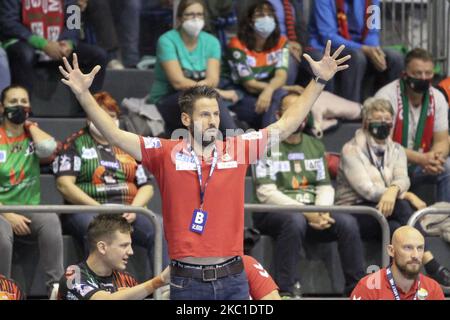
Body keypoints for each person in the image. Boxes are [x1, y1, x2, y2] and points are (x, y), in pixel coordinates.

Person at [58, 38, 350, 299]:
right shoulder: (165, 152)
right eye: (204, 114)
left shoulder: (238, 147)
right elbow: (116, 135)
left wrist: (319, 81)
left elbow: (285, 124)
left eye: (215, 114)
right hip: (187, 282)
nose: (212, 120)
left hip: (234, 278)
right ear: (186, 120)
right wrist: (83, 94)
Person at [253, 94, 365, 297]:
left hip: (312, 212)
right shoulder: (265, 145)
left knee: (347, 222)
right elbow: (266, 193)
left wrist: (320, 211)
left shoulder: (315, 145)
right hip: (272, 212)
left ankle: (356, 289)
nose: (298, 115)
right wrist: (307, 212)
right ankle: (285, 290)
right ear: (279, 115)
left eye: (302, 110)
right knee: (294, 221)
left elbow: (325, 187)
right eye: (291, 110)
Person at [335, 97, 450, 287]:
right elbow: (367, 190)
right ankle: (430, 263)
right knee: (403, 205)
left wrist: (394, 190)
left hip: (386, 210)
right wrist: (401, 194)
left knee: (397, 225)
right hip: (356, 210)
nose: (384, 124)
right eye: (377, 119)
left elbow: (403, 179)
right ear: (366, 122)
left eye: (387, 120)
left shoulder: (397, 149)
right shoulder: (351, 150)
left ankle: (396, 285)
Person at [53, 91, 168, 269]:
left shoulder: (127, 145)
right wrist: (98, 209)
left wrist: (135, 208)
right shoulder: (75, 144)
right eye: (101, 115)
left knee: (159, 225)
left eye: (112, 116)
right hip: (87, 209)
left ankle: (163, 289)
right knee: (97, 230)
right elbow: (64, 185)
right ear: (90, 118)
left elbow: (147, 186)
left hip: (127, 209)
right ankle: (98, 288)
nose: (106, 120)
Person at [0, 85, 63, 297]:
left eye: (24, 102)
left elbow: (48, 149)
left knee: (51, 220)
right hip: (1, 209)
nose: (19, 106)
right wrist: (6, 213)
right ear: (2, 107)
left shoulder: (32, 135)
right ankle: (3, 290)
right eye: (13, 102)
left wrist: (29, 125)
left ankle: (55, 288)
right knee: (2, 232)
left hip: (28, 207)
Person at [148, 0, 238, 135]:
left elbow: (213, 79)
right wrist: (219, 92)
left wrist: (211, 89)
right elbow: (178, 82)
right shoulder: (167, 40)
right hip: (168, 98)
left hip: (200, 95)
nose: (196, 19)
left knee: (207, 100)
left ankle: (232, 145)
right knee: (210, 100)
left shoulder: (211, 42)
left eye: (199, 14)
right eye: (190, 15)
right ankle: (237, 142)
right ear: (179, 19)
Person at [375, 48, 450, 203]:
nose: (423, 78)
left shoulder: (437, 98)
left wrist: (434, 158)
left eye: (428, 73)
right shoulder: (386, 97)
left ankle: (444, 221)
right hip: (388, 166)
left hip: (421, 165)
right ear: (405, 73)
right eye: (417, 73)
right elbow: (383, 145)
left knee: (447, 167)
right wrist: (421, 158)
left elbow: (442, 140)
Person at [0, 0, 107, 93]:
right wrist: (42, 44)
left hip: (60, 45)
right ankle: (24, 108)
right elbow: (8, 22)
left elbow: (74, 21)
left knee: (98, 55)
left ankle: (89, 109)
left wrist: (68, 42)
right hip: (26, 43)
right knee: (23, 54)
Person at [309, 0, 404, 102]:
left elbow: (372, 32)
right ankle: (350, 113)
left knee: (395, 58)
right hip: (328, 47)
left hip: (363, 46)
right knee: (356, 57)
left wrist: (374, 51)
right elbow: (328, 36)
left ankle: (389, 110)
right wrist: (363, 49)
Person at [58, 214, 170, 300]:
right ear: (102, 247)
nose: (131, 252)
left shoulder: (127, 280)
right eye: (124, 245)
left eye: (130, 245)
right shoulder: (73, 275)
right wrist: (160, 280)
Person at [226, 1, 293, 129]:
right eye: (260, 15)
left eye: (270, 14)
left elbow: (281, 76)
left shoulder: (282, 42)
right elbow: (250, 84)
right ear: (250, 21)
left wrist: (269, 90)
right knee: (277, 102)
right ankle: (271, 144)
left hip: (267, 91)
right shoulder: (236, 45)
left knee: (283, 99)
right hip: (240, 93)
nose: (266, 18)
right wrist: (280, 89)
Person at [350, 226, 445, 300]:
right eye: (408, 247)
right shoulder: (368, 287)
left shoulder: (433, 289)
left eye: (420, 248)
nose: (415, 255)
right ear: (391, 250)